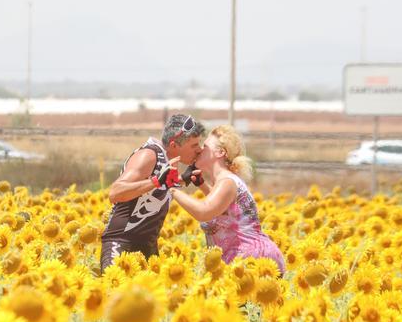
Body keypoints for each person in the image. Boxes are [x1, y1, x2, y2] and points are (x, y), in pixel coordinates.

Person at [168, 125, 286, 274]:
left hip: (252, 261)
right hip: (252, 259)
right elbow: (225, 212)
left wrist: (171, 189)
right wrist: (202, 185)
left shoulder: (227, 182)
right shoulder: (226, 181)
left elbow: (204, 212)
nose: (199, 150)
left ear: (220, 152)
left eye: (205, 146)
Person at [100, 114, 205, 272]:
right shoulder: (149, 155)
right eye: (194, 146)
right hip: (121, 242)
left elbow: (158, 189)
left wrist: (182, 180)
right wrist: (155, 181)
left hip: (148, 246)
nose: (200, 149)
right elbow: (115, 192)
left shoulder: (166, 160)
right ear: (174, 145)